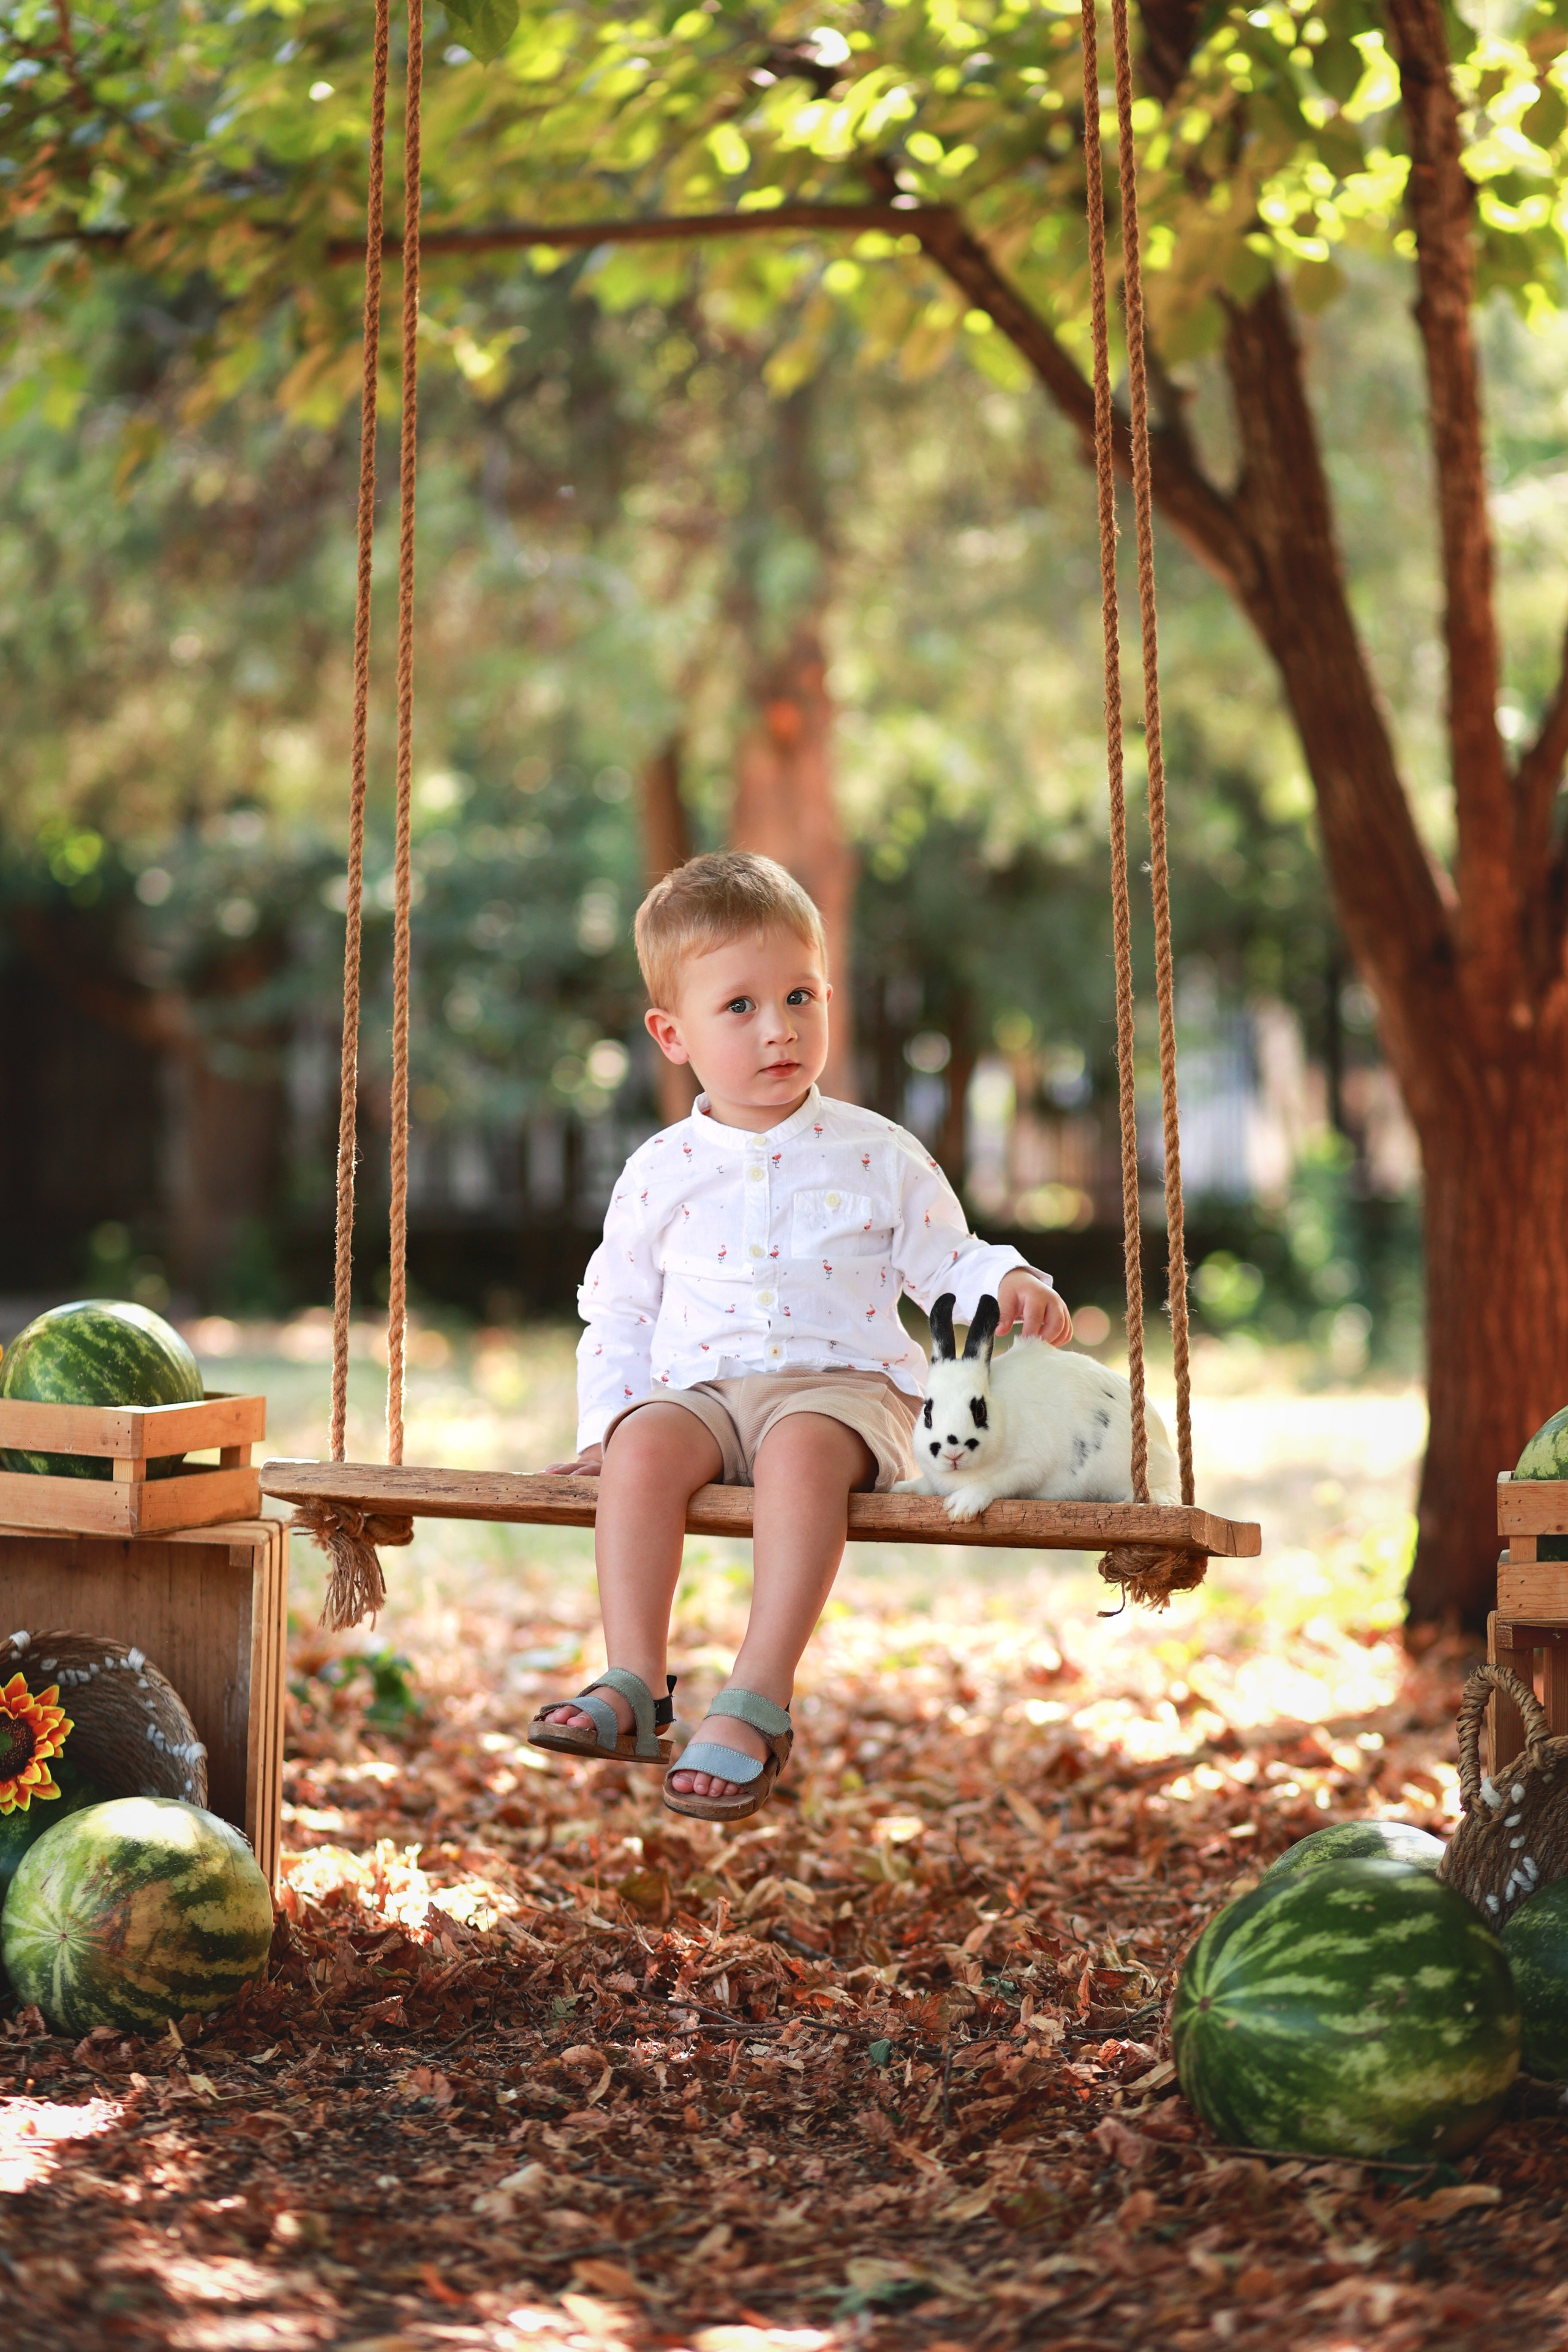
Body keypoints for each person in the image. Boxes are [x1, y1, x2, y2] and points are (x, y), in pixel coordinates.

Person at [529, 851, 1069, 1820]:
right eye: (739, 1006)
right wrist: (608, 1424)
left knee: (801, 1450)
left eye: (799, 996)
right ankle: (635, 1683)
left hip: (846, 1392)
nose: (779, 1027)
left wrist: (1010, 1278)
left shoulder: (876, 1153)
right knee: (641, 1446)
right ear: (672, 1034)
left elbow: (948, 1260)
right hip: (704, 1395)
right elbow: (621, 1311)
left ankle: (757, 1696)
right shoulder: (659, 1170)